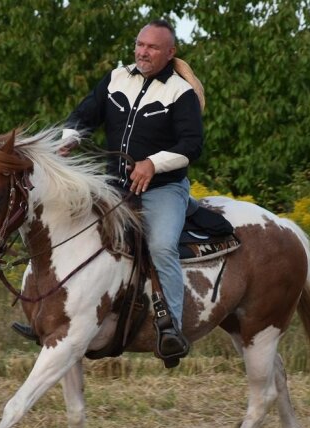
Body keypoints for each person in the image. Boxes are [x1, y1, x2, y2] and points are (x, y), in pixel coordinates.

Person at [13, 19, 203, 362]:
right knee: (59, 227)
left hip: (163, 189)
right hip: (114, 186)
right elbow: (85, 114)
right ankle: (46, 314)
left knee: (160, 245)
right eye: (140, 45)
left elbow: (192, 145)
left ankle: (171, 327)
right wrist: (71, 137)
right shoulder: (117, 78)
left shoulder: (180, 92)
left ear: (170, 53)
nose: (143, 52)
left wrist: (152, 164)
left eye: (153, 47)